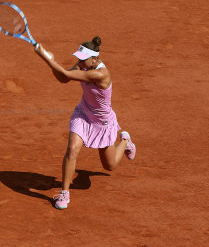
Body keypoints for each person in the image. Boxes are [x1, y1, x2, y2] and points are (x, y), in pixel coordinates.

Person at [35, 36, 136, 210]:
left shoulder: (101, 73)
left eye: (83, 60)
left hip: (102, 123)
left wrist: (46, 57)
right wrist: (51, 61)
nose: (79, 63)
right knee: (73, 148)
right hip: (83, 114)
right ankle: (64, 193)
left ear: (95, 59)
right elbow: (63, 78)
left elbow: (65, 73)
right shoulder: (84, 65)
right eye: (78, 59)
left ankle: (125, 140)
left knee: (109, 165)